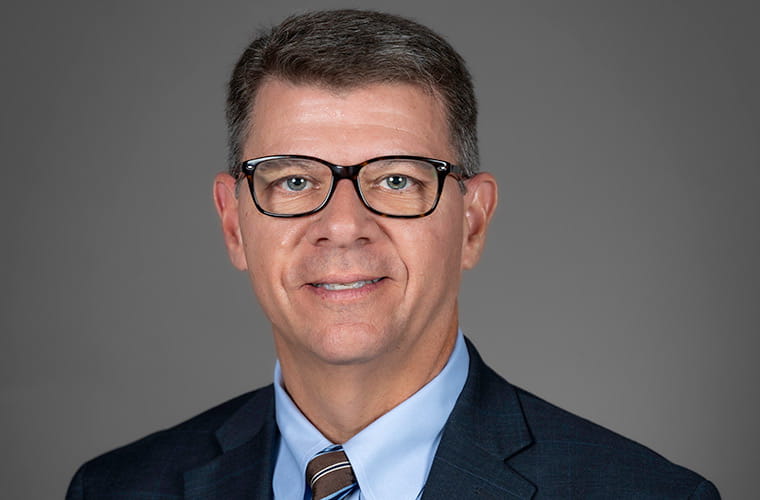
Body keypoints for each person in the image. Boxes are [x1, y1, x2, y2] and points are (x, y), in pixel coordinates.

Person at [67, 9, 719, 499]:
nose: (343, 225)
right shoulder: (116, 489)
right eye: (294, 181)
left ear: (472, 222)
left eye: (397, 179)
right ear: (235, 224)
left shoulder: (644, 493)